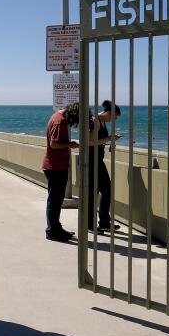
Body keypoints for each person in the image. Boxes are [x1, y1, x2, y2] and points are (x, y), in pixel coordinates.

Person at [43, 102, 80, 242]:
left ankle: (56, 228)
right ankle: (52, 231)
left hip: (56, 166)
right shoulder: (60, 121)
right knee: (54, 201)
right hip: (55, 167)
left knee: (56, 200)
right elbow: (54, 143)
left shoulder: (57, 116)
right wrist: (70, 144)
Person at [86, 101, 122, 235]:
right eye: (114, 117)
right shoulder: (95, 120)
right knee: (92, 193)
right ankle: (90, 225)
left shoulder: (102, 121)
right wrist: (109, 138)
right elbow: (90, 141)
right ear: (109, 113)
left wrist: (110, 139)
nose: (113, 120)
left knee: (107, 189)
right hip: (91, 160)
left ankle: (104, 222)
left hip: (98, 160)